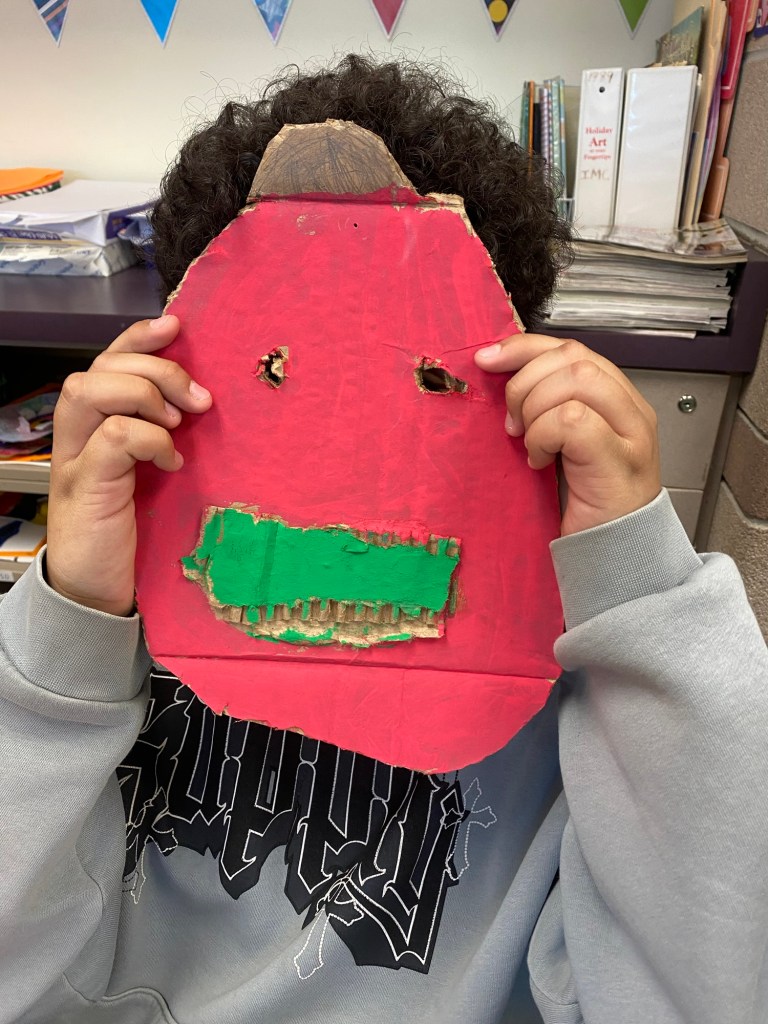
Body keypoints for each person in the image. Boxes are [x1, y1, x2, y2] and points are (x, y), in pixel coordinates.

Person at [1, 55, 767, 1024]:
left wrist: (642, 590)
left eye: (429, 378)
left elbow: (705, 984)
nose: (344, 446)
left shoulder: (588, 725)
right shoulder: (109, 635)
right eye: (271, 369)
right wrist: (69, 624)